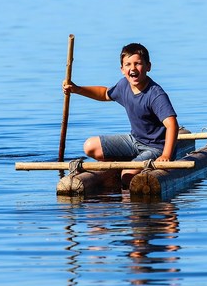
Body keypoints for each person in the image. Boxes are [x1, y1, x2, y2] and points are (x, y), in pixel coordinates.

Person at [62, 43, 179, 186]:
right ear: (122, 69)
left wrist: (166, 155)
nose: (133, 68)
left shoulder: (155, 94)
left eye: (138, 64)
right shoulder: (124, 85)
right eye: (128, 65)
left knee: (127, 175)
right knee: (89, 146)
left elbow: (172, 124)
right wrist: (77, 89)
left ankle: (131, 169)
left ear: (148, 66)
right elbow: (104, 93)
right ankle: (123, 163)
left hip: (156, 147)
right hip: (135, 140)